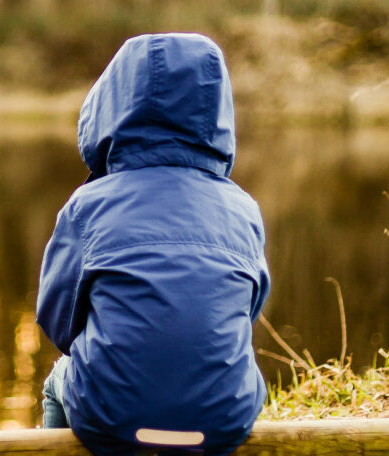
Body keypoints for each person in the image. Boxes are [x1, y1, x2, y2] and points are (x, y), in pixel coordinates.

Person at [35, 33, 271, 456]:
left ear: (112, 104)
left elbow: (59, 322)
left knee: (60, 379)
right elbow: (246, 310)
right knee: (234, 377)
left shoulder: (88, 205)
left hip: (110, 420)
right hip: (221, 422)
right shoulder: (242, 209)